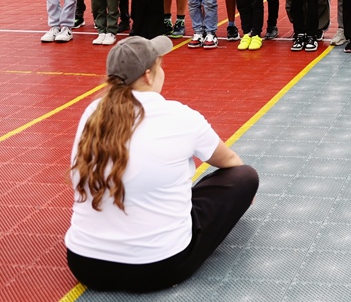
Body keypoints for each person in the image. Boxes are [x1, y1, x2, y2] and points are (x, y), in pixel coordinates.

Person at [65, 36, 258, 292]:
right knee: (244, 177)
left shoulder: (93, 112)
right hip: (158, 267)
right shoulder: (180, 116)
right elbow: (230, 162)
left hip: (85, 265)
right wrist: (245, 197)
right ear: (148, 75)